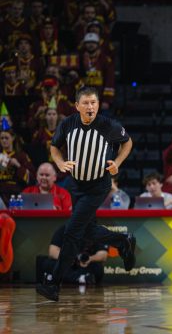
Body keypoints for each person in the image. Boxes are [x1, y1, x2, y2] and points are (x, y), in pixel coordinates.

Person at [36, 87, 135, 302]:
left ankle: (53, 284)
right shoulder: (68, 124)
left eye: (94, 103)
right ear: (77, 106)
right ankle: (123, 240)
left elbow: (128, 142)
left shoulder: (108, 125)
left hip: (98, 185)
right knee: (87, 231)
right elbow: (54, 147)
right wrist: (61, 163)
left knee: (72, 232)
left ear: (98, 105)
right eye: (86, 103)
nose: (90, 107)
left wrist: (117, 163)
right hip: (76, 184)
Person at [41, 223, 108, 285]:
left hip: (85, 264)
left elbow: (103, 255)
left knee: (98, 268)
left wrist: (90, 259)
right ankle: (80, 278)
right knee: (48, 264)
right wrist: (70, 258)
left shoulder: (96, 231)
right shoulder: (64, 229)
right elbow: (52, 252)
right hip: (68, 264)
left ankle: (55, 278)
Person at [0, 128, 35, 205]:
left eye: (6, 138)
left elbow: (31, 178)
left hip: (17, 193)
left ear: (13, 138)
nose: (4, 140)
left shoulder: (22, 156)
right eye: (2, 138)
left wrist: (18, 165)